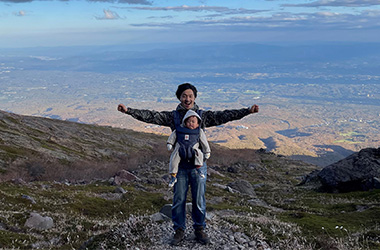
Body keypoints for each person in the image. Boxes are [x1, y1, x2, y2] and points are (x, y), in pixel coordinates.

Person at [117, 83, 259, 246]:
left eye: (190, 96)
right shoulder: (173, 117)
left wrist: (247, 111)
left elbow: (225, 115)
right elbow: (151, 116)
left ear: (195, 98)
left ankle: (199, 229)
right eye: (184, 96)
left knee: (199, 199)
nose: (187, 99)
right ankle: (179, 231)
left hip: (198, 167)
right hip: (180, 167)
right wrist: (129, 111)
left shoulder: (202, 116)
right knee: (178, 199)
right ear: (179, 98)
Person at [167, 109, 211, 188]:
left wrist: (207, 152)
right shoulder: (179, 130)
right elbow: (173, 136)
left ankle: (199, 170)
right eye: (189, 121)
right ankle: (173, 176)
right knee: (174, 160)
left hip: (193, 150)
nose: (191, 123)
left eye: (193, 122)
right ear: (184, 122)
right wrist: (170, 143)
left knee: (199, 155)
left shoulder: (199, 132)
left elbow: (204, 142)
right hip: (180, 149)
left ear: (198, 123)